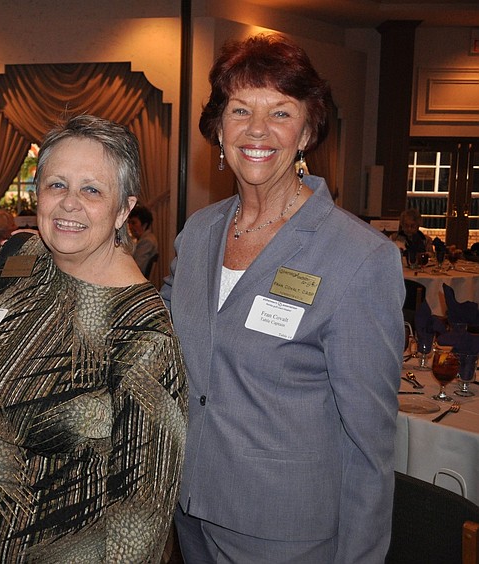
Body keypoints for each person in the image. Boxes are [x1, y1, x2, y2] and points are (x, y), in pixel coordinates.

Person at [161, 34, 404, 562]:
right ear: (218, 127)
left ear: (308, 130)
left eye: (281, 112)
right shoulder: (198, 233)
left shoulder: (359, 257)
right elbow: (162, 345)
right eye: (240, 109)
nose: (257, 130)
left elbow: (371, 446)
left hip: (287, 531)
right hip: (191, 509)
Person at [0, 114, 188, 563]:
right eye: (56, 185)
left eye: (92, 189)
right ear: (37, 194)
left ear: (124, 210)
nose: (70, 203)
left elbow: (142, 516)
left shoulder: (142, 333)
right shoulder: (21, 255)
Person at [128, 204, 158, 275]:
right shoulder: (146, 238)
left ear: (144, 224)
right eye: (129, 223)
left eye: (134, 223)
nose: (130, 227)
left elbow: (137, 268)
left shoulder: (147, 241)